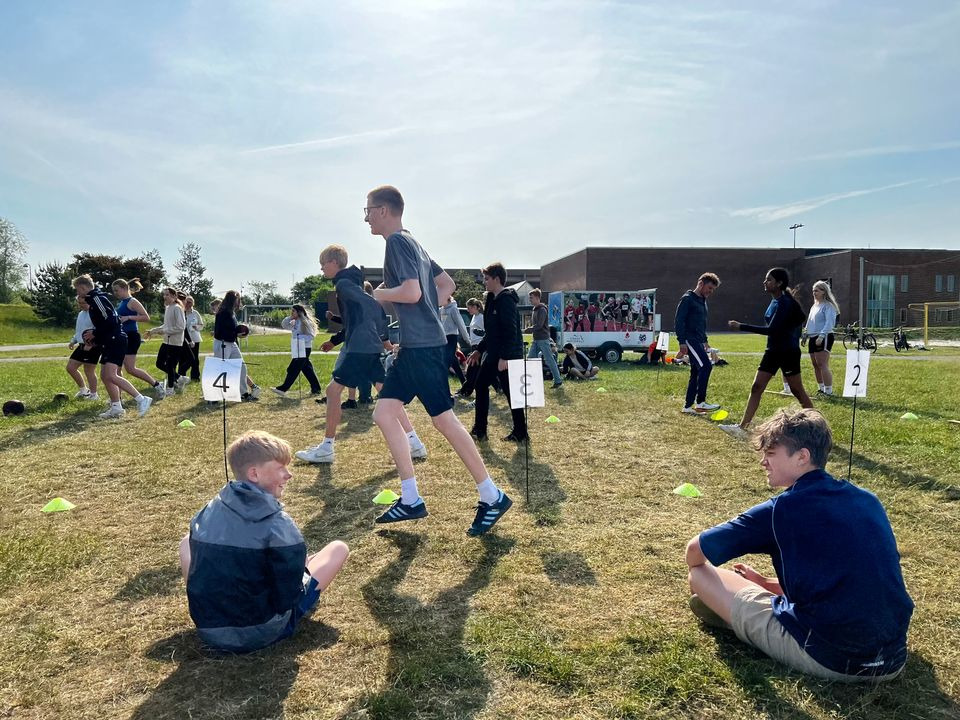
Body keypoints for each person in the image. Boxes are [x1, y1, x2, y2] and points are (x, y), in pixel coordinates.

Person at [685, 408, 913, 681]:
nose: (763, 462)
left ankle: (735, 618)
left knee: (700, 575)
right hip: (893, 656)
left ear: (802, 457)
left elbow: (695, 551)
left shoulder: (780, 510)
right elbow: (842, 577)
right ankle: (738, 610)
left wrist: (714, 585)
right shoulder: (868, 500)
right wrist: (766, 583)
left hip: (833, 658)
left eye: (770, 454)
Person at [366, 185, 512, 536]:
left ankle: (491, 495)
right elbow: (445, 285)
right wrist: (425, 312)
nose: (366, 217)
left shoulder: (396, 243)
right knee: (385, 413)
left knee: (445, 422)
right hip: (418, 345)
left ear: (385, 210)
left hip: (422, 348)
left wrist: (378, 293)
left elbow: (413, 292)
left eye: (368, 210)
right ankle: (411, 497)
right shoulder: (413, 241)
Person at [178, 430, 349, 653]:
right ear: (254, 474)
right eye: (281, 468)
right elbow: (289, 593)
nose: (289, 475)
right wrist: (302, 574)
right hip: (262, 630)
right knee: (338, 548)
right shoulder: (279, 524)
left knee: (186, 542)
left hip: (209, 627)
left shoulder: (207, 511)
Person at [296, 245, 414, 464]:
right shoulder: (350, 282)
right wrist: (382, 337)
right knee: (386, 393)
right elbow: (371, 311)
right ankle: (414, 441)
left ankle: (327, 448)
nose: (321, 268)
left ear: (334, 262)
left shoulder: (343, 284)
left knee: (333, 391)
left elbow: (371, 305)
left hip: (359, 347)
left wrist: (378, 334)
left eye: (323, 264)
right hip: (369, 346)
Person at [721, 268, 813, 439]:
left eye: (769, 280)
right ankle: (742, 427)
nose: (765, 282)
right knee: (756, 387)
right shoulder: (775, 301)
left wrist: (741, 326)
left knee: (797, 390)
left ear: (779, 283)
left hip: (788, 353)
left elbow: (772, 330)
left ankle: (817, 425)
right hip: (773, 351)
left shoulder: (785, 302)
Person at [71, 275, 153, 419]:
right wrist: (96, 336)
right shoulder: (93, 300)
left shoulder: (97, 299)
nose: (78, 294)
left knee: (111, 375)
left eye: (78, 290)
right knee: (105, 375)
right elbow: (105, 323)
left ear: (83, 288)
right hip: (109, 340)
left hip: (116, 340)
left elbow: (111, 321)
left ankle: (142, 399)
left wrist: (95, 333)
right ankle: (116, 407)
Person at [468, 262, 528, 442]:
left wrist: (505, 358)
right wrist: (479, 350)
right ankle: (481, 430)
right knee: (482, 386)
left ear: (497, 279)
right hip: (494, 354)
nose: (484, 282)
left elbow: (511, 331)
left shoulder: (506, 300)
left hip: (506, 356)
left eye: (487, 279)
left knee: (511, 394)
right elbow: (492, 332)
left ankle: (519, 432)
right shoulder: (492, 300)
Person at [675, 273, 722, 415]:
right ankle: (700, 402)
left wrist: (705, 340)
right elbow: (679, 321)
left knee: (695, 372)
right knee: (706, 366)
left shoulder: (702, 301)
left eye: (713, 289)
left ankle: (688, 407)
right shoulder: (687, 299)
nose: (710, 292)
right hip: (690, 340)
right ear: (700, 283)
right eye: (709, 288)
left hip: (698, 340)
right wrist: (682, 342)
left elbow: (701, 323)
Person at [113, 278, 165, 398]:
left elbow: (146, 317)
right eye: (114, 291)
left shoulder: (132, 301)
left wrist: (129, 318)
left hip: (131, 336)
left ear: (124, 288)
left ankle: (157, 384)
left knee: (130, 369)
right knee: (116, 369)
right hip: (122, 337)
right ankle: (117, 399)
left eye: (117, 290)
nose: (115, 293)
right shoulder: (121, 302)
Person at [213, 291, 261, 401]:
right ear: (232, 300)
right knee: (220, 369)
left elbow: (232, 329)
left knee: (241, 367)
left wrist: (237, 333)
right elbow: (219, 332)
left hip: (232, 343)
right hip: (222, 343)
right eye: (237, 299)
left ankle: (243, 393)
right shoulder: (223, 313)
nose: (238, 301)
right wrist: (236, 334)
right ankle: (213, 395)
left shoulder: (231, 313)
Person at [272, 304, 323, 397]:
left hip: (304, 348)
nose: (292, 313)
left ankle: (283, 389)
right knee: (307, 369)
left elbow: (311, 336)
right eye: (291, 311)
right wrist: (290, 317)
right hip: (297, 347)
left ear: (299, 312)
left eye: (293, 311)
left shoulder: (306, 322)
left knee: (293, 368)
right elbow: (284, 325)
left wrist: (300, 337)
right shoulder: (295, 321)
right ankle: (316, 388)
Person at [145, 288, 187, 397]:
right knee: (159, 363)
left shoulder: (177, 308)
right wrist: (153, 331)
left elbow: (181, 327)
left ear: (174, 296)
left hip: (175, 343)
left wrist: (164, 331)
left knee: (170, 366)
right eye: (164, 295)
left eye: (167, 295)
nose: (165, 297)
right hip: (166, 341)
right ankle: (180, 378)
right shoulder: (168, 308)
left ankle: (170, 389)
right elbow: (166, 325)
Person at [806, 280, 840, 396]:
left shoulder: (828, 306)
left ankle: (828, 391)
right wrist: (806, 334)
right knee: (815, 364)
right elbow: (810, 322)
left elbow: (829, 323)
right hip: (812, 337)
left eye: (817, 290)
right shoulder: (814, 306)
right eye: (813, 290)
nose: (814, 293)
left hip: (824, 336)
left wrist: (821, 336)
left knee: (822, 364)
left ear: (824, 292)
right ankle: (821, 389)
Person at [525, 289, 562, 389]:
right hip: (536, 339)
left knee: (550, 360)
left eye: (531, 298)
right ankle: (531, 380)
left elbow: (540, 325)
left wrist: (529, 329)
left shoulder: (542, 309)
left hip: (543, 339)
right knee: (530, 359)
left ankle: (558, 380)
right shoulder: (535, 309)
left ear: (537, 298)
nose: (530, 300)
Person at [65, 295, 100, 400]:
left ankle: (94, 395)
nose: (81, 305)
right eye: (79, 303)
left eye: (83, 303)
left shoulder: (95, 314)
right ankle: (84, 390)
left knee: (89, 371)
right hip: (81, 345)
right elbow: (80, 330)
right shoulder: (81, 314)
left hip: (92, 346)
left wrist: (91, 344)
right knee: (70, 368)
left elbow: (98, 330)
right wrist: (73, 340)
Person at [455, 297, 486, 400]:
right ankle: (498, 387)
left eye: (469, 308)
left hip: (479, 347)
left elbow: (488, 331)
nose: (468, 310)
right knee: (476, 370)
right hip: (474, 346)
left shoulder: (481, 317)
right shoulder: (474, 317)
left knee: (472, 370)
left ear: (475, 307)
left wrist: (481, 333)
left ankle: (465, 391)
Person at [441, 295, 470, 388]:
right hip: (444, 338)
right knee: (454, 362)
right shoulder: (441, 309)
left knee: (446, 362)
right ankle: (465, 384)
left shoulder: (453, 309)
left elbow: (461, 324)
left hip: (452, 337)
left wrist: (467, 339)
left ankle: (443, 388)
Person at [178, 295, 204, 382]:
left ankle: (195, 376)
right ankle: (181, 375)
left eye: (190, 302)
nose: (189, 304)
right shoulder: (181, 311)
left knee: (195, 359)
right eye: (187, 301)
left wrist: (197, 327)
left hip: (195, 338)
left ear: (193, 303)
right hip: (184, 339)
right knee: (183, 358)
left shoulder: (195, 313)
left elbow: (201, 325)